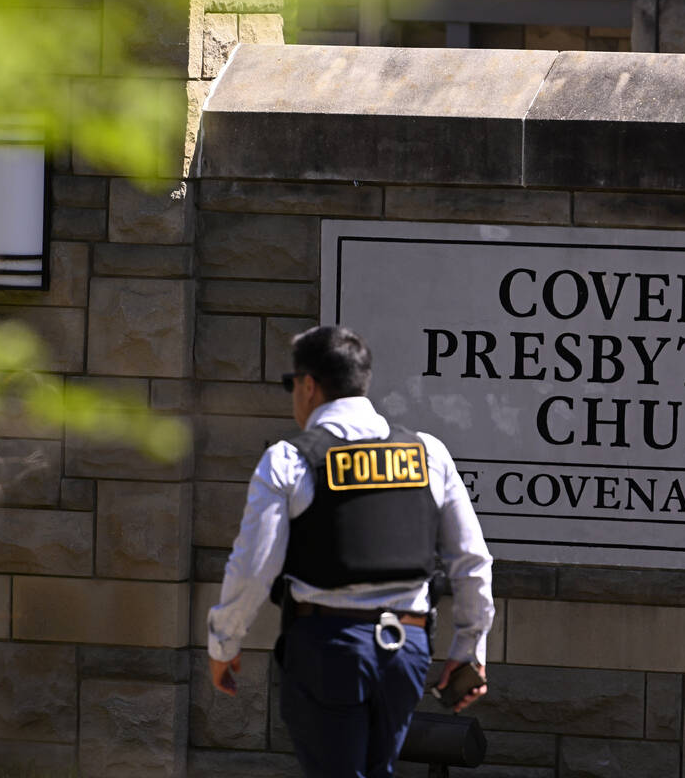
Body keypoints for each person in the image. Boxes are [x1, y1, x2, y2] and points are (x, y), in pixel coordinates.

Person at [207, 325, 494, 778]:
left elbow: (253, 567)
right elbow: (472, 560)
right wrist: (469, 646)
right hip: (406, 648)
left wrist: (224, 642)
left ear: (308, 385)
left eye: (291, 385)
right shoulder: (428, 453)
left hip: (329, 648)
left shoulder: (289, 459)